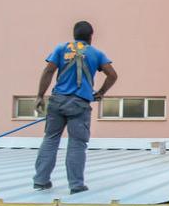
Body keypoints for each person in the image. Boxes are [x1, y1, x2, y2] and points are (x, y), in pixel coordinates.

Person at [33, 20, 117, 194]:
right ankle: (76, 185)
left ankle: (41, 181)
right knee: (77, 144)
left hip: (57, 101)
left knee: (50, 139)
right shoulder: (96, 54)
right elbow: (112, 75)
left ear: (74, 34)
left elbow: (48, 71)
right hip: (79, 104)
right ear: (91, 36)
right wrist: (100, 92)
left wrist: (40, 96)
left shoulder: (60, 49)